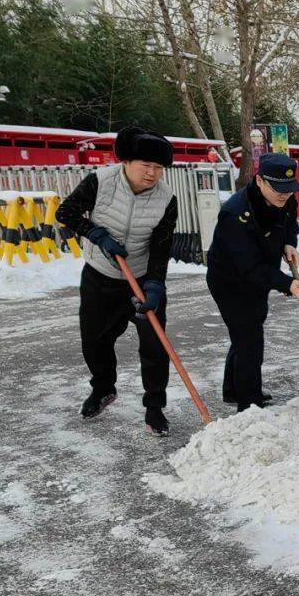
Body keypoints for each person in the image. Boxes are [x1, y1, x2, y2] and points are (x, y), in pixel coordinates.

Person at [57, 125, 178, 436]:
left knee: (154, 346)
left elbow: (161, 246)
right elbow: (66, 212)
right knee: (94, 341)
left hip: (139, 276)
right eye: (146, 166)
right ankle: (103, 389)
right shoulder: (100, 182)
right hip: (100, 275)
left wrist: (154, 285)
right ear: (126, 162)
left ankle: (154, 408)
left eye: (158, 168)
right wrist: (95, 234)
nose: (152, 174)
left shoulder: (166, 198)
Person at [206, 153, 299, 412]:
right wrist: (288, 284)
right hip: (230, 281)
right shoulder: (235, 214)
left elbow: (289, 219)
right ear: (259, 180)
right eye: (278, 189)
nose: (285, 195)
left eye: (289, 189)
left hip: (260, 276)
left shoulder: (284, 197)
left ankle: (233, 389)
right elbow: (249, 267)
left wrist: (289, 241)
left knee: (246, 333)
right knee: (250, 339)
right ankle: (248, 404)